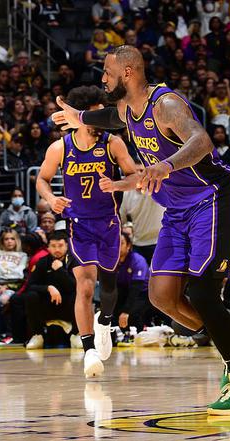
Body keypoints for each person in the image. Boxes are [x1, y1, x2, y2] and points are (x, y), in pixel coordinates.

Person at [52, 45, 230, 415]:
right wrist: (79, 116)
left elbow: (201, 141)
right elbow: (110, 118)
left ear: (128, 72)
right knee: (162, 296)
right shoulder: (125, 109)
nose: (103, 79)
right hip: (177, 210)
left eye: (108, 72)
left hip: (212, 200)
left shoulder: (166, 104)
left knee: (202, 292)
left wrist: (164, 166)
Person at [37, 85, 137, 378]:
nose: (100, 120)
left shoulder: (113, 143)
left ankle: (104, 321)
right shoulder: (60, 148)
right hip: (78, 225)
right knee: (85, 285)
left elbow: (134, 177)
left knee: (108, 287)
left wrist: (116, 185)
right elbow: (42, 179)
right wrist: (51, 199)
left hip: (109, 223)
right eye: (94, 114)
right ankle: (89, 349)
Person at [24, 232, 79, 350]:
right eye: (53, 246)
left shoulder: (74, 262)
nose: (57, 249)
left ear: (67, 246)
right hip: (47, 304)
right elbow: (30, 286)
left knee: (79, 295)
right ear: (48, 247)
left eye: (60, 246)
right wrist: (48, 288)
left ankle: (76, 334)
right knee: (31, 295)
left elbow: (75, 286)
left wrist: (60, 271)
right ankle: (37, 335)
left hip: (67, 305)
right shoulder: (42, 262)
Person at [114, 232, 151, 336]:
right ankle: (119, 335)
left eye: (121, 243)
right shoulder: (112, 262)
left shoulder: (137, 260)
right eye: (115, 243)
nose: (118, 247)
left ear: (128, 246)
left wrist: (126, 311)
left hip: (143, 293)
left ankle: (140, 332)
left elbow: (136, 289)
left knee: (133, 313)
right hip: (124, 291)